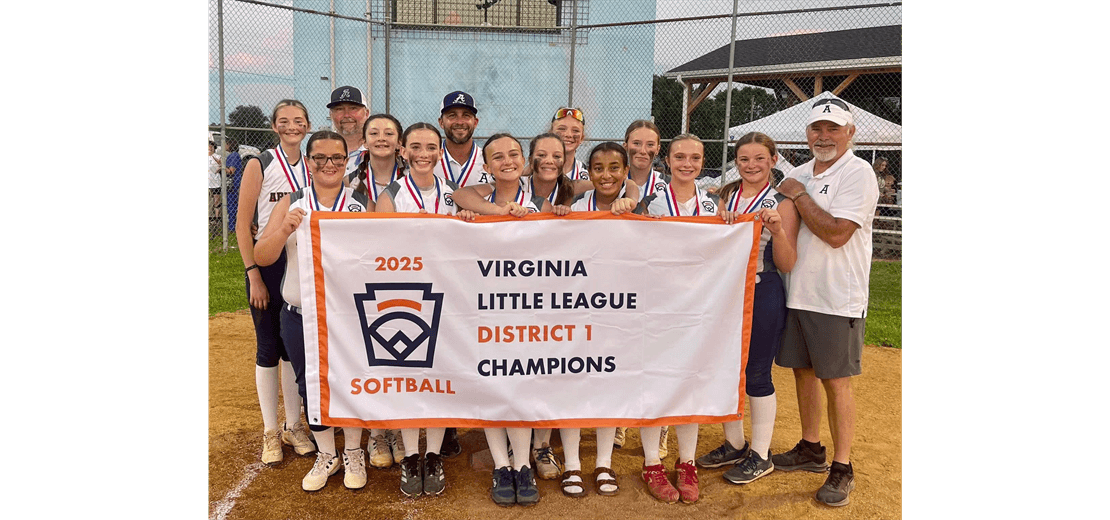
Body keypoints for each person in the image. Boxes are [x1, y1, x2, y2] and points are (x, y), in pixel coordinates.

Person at [771, 97, 880, 507]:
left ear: (850, 133)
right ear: (807, 132)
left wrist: (798, 196)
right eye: (817, 127)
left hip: (837, 297)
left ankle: (842, 465)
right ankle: (810, 447)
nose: (824, 135)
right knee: (803, 372)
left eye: (833, 128)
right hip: (798, 291)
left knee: (835, 381)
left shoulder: (858, 172)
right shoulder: (798, 173)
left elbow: (836, 233)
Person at [253, 130, 372, 492]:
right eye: (320, 157)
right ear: (309, 162)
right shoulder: (292, 201)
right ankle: (327, 453)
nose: (329, 164)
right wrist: (284, 228)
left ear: (346, 161)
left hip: (346, 315)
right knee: (310, 388)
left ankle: (352, 451)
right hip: (300, 314)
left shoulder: (359, 204)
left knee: (349, 383)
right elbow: (263, 256)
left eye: (337, 157)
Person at [376, 122, 477, 498]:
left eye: (431, 147)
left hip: (447, 295)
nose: (423, 153)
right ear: (403, 151)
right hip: (406, 295)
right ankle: (410, 455)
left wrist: (468, 221)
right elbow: (381, 247)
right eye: (415, 146)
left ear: (440, 152)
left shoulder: (453, 194)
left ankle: (432, 455)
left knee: (439, 376)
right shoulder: (392, 194)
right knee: (406, 373)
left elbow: (474, 239)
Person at [695, 132, 799, 488]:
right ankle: (735, 444)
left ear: (773, 159)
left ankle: (762, 453)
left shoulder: (782, 201)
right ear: (735, 162)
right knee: (727, 369)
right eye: (743, 159)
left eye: (759, 159)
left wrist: (779, 231)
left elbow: (786, 263)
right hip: (725, 291)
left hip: (762, 288)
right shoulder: (726, 195)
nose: (751, 166)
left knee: (756, 373)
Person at [233, 100, 318, 467]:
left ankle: (294, 425)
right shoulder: (261, 163)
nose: (292, 126)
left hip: (299, 262)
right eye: (284, 121)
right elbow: (241, 224)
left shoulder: (315, 163)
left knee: (293, 346)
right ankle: (271, 430)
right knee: (268, 346)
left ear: (308, 125)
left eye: (298, 121)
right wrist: (253, 273)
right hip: (267, 264)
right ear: (274, 126)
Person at [555, 142, 638, 501]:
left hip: (616, 310)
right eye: (599, 168)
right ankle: (572, 463)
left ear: (625, 171)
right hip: (574, 307)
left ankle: (603, 462)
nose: (607, 175)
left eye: (615, 168)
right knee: (571, 382)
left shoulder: (638, 208)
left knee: (608, 382)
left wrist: (632, 206)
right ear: (587, 172)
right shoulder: (574, 209)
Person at [637, 134, 717, 505]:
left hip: (700, 307)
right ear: (666, 160)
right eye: (679, 156)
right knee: (654, 379)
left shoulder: (713, 205)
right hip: (657, 304)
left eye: (695, 157)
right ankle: (652, 461)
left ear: (703, 161)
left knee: (691, 380)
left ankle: (687, 462)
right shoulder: (652, 204)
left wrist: (731, 225)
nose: (687, 163)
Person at [345, 113, 407, 470]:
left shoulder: (415, 173)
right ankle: (376, 432)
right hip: (364, 272)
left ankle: (396, 426)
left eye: (389, 133)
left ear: (399, 141)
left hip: (407, 274)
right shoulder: (351, 179)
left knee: (400, 352)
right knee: (370, 352)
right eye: (375, 133)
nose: (382, 138)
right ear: (365, 140)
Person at [434, 91, 489, 188]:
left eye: (466, 115)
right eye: (452, 115)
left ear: (475, 122)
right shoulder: (430, 160)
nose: (460, 122)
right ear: (441, 122)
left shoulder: (488, 160)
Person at [326, 86, 371, 176]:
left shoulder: (378, 148)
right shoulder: (321, 147)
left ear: (366, 113)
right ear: (331, 115)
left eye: (353, 108)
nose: (346, 115)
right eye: (339, 109)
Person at [551, 107, 589, 182]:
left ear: (582, 138)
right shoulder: (536, 170)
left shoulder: (588, 175)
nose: (568, 135)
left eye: (575, 130)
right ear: (550, 133)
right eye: (562, 129)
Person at [224, 139, 243, 232]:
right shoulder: (232, 155)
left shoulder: (234, 155)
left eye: (226, 144)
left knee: (232, 204)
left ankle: (232, 226)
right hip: (232, 183)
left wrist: (222, 168)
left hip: (233, 184)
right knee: (231, 204)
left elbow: (231, 171)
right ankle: (232, 225)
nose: (224, 146)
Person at [209, 140, 222, 227]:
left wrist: (220, 165)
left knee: (216, 200)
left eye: (211, 147)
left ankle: (216, 219)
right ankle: (210, 217)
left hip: (215, 182)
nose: (210, 149)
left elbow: (222, 165)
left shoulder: (218, 156)